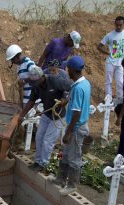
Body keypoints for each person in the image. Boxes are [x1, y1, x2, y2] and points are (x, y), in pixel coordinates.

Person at [19, 65, 72, 171]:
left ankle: (44, 164)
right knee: (39, 137)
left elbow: (69, 88)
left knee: (47, 141)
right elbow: (31, 101)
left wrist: (64, 99)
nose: (34, 85)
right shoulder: (36, 85)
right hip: (46, 114)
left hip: (57, 116)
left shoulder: (55, 80)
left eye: (36, 82)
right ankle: (37, 161)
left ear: (42, 77)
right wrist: (22, 115)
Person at [51, 55, 90, 194]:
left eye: (68, 69)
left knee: (74, 157)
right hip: (74, 125)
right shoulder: (83, 84)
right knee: (64, 153)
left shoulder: (78, 88)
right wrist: (66, 100)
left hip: (76, 127)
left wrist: (68, 132)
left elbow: (76, 113)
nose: (67, 71)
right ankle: (60, 179)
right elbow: (74, 99)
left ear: (73, 70)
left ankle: (72, 185)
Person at [97, 16, 124, 104]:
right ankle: (108, 98)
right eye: (117, 25)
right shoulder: (109, 35)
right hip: (110, 62)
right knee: (108, 81)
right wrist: (107, 53)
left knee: (120, 81)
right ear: (114, 24)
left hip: (121, 63)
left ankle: (120, 99)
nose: (118, 27)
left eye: (120, 25)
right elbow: (99, 46)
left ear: (123, 24)